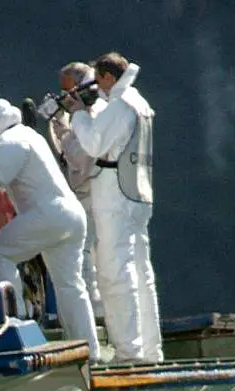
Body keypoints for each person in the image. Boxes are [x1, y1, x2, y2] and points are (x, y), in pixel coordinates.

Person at [0, 98, 100, 361]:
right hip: (70, 216)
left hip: (48, 215)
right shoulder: (28, 135)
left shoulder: (11, 140)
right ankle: (89, 352)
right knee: (70, 286)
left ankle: (16, 321)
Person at [69, 52, 163, 363]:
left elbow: (94, 145)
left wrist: (79, 114)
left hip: (115, 194)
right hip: (138, 193)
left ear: (109, 77)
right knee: (141, 272)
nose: (97, 88)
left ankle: (129, 351)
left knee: (114, 271)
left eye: (98, 81)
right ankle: (151, 349)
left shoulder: (121, 103)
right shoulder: (140, 102)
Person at [47, 61, 106, 319]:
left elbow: (78, 158)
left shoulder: (92, 113)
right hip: (99, 190)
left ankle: (96, 313)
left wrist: (61, 125)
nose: (66, 98)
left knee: (87, 255)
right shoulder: (100, 108)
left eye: (68, 91)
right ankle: (101, 311)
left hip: (92, 191)